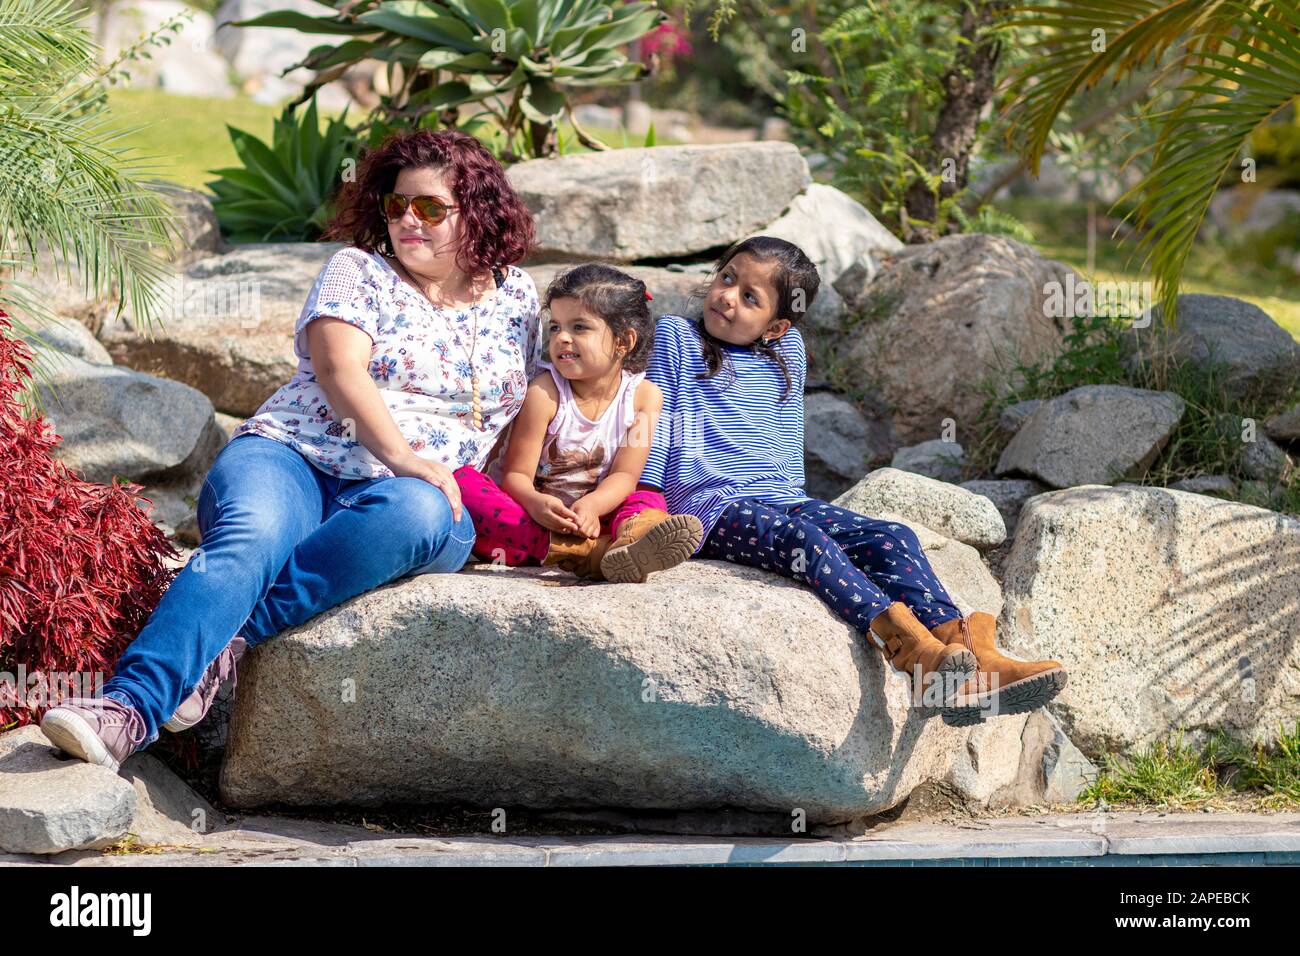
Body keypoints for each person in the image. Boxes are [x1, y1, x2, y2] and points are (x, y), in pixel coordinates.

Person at [41, 129, 541, 769]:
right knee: (252, 537)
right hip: (292, 458)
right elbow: (342, 373)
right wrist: (407, 458)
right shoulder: (358, 271)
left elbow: (521, 405)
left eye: (430, 208)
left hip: (405, 499)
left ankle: (227, 640)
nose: (407, 221)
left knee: (422, 514)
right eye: (394, 206)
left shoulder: (518, 296)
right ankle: (127, 710)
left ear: (477, 209)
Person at [639, 235, 1067, 722]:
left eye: (749, 297)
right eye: (727, 278)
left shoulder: (790, 351)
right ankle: (915, 656)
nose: (726, 296)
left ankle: (971, 657)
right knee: (805, 540)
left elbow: (786, 436)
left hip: (778, 497)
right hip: (709, 505)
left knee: (890, 535)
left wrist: (797, 498)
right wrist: (649, 502)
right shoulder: (677, 336)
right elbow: (658, 418)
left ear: (777, 326)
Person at [455, 263, 703, 583]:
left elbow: (626, 475)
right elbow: (516, 476)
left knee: (647, 497)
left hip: (594, 512)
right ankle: (584, 554)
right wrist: (536, 504)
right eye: (556, 327)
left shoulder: (645, 397)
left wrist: (592, 506)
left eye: (580, 327)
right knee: (465, 485)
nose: (563, 338)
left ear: (623, 341)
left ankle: (634, 539)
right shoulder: (544, 394)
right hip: (531, 516)